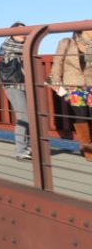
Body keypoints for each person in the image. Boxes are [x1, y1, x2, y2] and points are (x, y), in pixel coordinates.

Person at [48, 29, 92, 161]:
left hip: (91, 84)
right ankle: (87, 148)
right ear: (81, 31)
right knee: (82, 115)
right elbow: (58, 62)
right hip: (73, 85)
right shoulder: (66, 42)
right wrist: (56, 78)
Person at [0, 22, 30, 160]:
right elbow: (25, 50)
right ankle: (21, 151)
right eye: (19, 32)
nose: (23, 34)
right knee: (24, 117)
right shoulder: (7, 45)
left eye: (25, 31)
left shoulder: (27, 45)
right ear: (11, 34)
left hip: (26, 85)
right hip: (13, 86)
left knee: (31, 117)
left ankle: (28, 147)